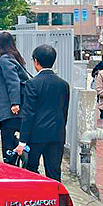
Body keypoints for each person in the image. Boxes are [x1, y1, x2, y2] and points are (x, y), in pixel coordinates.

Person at [16, 43, 70, 181]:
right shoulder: (63, 84)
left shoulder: (32, 84)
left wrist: (22, 141)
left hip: (36, 136)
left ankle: (35, 200)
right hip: (57, 135)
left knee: (31, 172)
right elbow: (64, 111)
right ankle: (55, 200)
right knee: (54, 173)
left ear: (36, 61)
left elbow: (28, 114)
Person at [0, 31, 29, 161]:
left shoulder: (5, 59)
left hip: (11, 111)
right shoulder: (15, 58)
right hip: (16, 111)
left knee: (7, 143)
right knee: (12, 139)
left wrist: (15, 103)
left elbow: (12, 81)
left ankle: (13, 165)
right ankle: (21, 156)